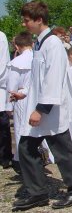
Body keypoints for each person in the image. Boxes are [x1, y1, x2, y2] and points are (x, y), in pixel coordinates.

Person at [13, 1, 72, 211]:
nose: (24, 23)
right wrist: (24, 93)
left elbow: (53, 80)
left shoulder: (52, 44)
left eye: (26, 20)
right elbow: (37, 77)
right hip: (40, 106)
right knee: (26, 147)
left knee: (62, 151)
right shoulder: (39, 43)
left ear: (39, 20)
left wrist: (41, 109)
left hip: (50, 110)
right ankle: (38, 193)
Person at [6, 31, 33, 173]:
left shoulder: (16, 63)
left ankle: (23, 160)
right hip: (36, 98)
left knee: (21, 129)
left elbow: (12, 87)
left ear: (17, 46)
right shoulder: (38, 58)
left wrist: (9, 106)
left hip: (21, 97)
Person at [0, 30, 12, 170]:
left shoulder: (1, 36)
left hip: (0, 86)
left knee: (2, 125)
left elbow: (3, 63)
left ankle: (5, 156)